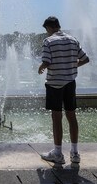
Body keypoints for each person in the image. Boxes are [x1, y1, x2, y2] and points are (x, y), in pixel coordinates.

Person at [37, 16, 89, 165]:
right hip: (70, 83)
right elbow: (85, 59)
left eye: (46, 29)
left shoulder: (49, 41)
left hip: (54, 84)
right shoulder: (73, 39)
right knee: (71, 116)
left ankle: (58, 153)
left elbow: (47, 61)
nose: (46, 33)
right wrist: (72, 66)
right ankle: (75, 152)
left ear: (49, 27)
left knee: (56, 117)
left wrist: (41, 67)